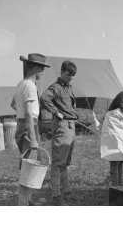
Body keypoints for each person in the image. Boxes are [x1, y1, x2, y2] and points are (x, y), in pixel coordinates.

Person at [11, 53, 50, 205]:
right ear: (34, 68)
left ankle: (28, 201)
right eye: (41, 68)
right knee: (29, 169)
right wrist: (33, 139)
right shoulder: (30, 86)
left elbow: (13, 104)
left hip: (23, 125)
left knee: (29, 166)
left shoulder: (21, 84)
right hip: (29, 126)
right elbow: (28, 112)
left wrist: (21, 115)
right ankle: (23, 203)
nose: (42, 72)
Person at [40, 60, 78, 205]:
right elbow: (44, 98)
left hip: (70, 125)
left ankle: (66, 191)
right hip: (62, 126)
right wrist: (56, 111)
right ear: (62, 72)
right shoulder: (56, 87)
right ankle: (56, 194)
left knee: (65, 162)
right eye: (69, 74)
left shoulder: (68, 87)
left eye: (73, 75)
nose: (71, 78)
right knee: (58, 162)